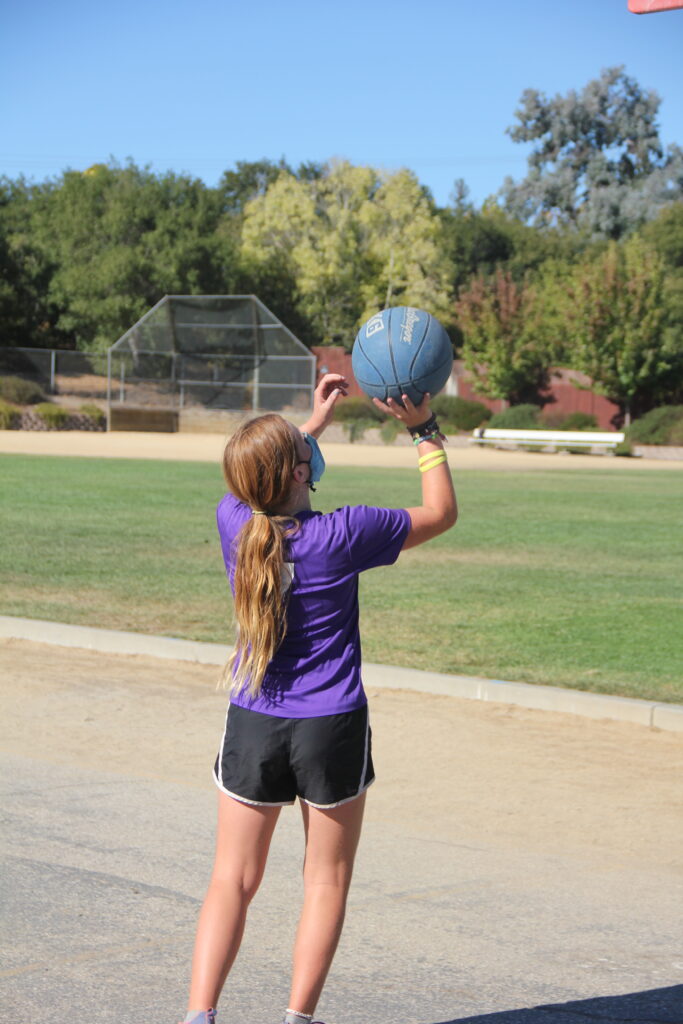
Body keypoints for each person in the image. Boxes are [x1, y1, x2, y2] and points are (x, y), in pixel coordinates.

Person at [180, 372, 457, 1024]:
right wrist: (423, 429)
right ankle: (297, 1019)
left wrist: (308, 428)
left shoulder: (233, 522)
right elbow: (441, 513)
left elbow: (260, 480)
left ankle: (198, 1016)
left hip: (254, 720)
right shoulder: (346, 532)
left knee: (231, 879)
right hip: (330, 726)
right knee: (324, 880)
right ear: (303, 473)